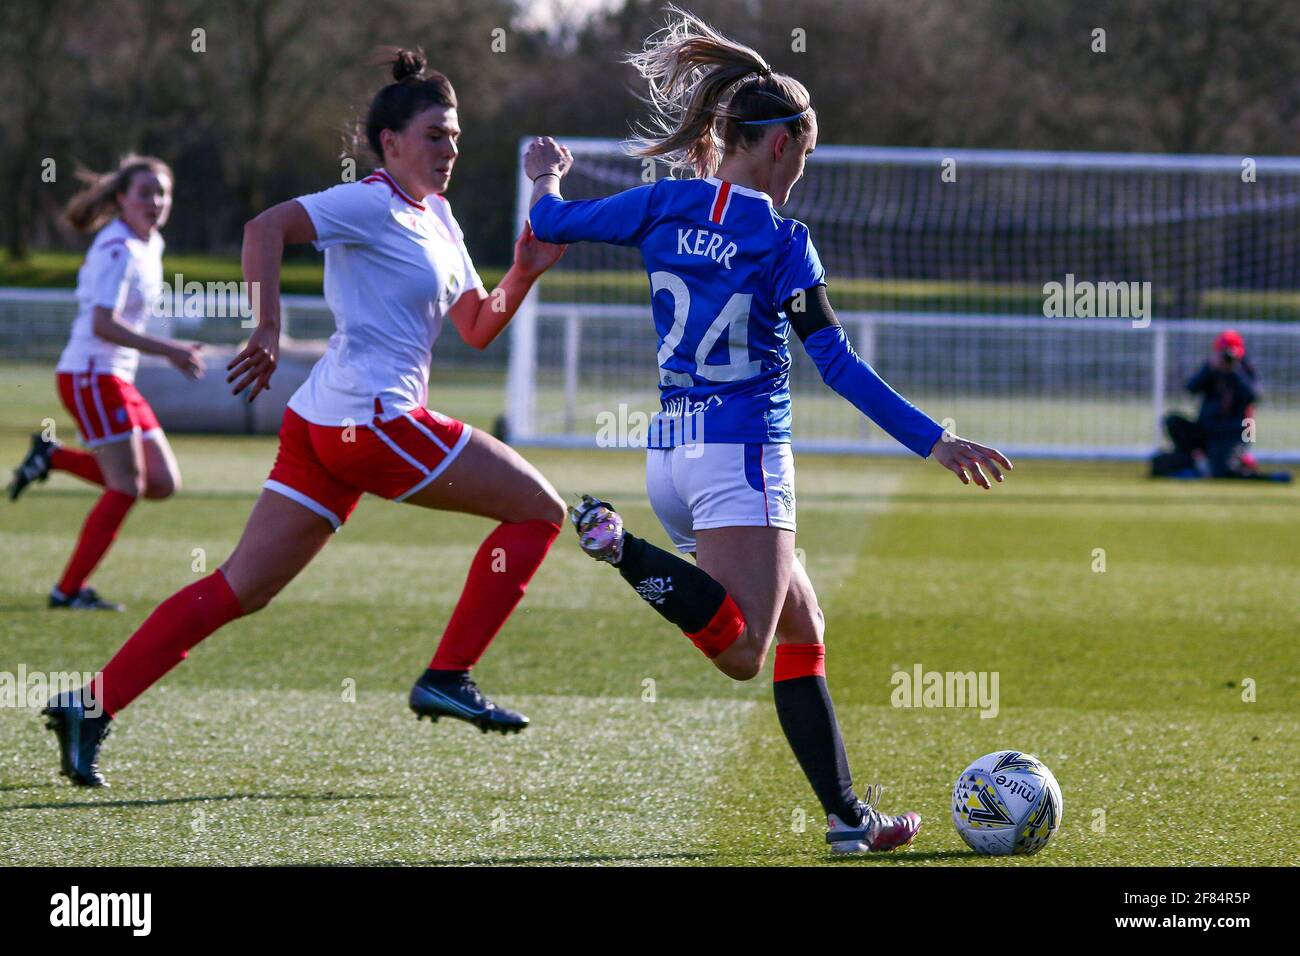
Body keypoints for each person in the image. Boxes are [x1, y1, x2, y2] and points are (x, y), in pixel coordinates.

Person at [526, 9, 1012, 854]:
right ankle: (617, 548)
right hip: (743, 459)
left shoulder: (662, 204)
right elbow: (841, 366)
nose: (801, 177)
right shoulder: (783, 240)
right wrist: (939, 440)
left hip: (670, 454)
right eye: (806, 156)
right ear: (782, 143)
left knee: (801, 627)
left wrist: (543, 177)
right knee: (746, 651)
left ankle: (847, 820)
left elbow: (550, 225)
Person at [42, 49, 569, 787]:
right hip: (374, 422)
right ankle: (449, 673)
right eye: (436, 135)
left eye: (455, 136)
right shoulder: (370, 201)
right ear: (390, 143)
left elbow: (478, 325)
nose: (451, 149)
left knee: (240, 589)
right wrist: (264, 330)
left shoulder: (440, 220)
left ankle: (90, 706)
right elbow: (263, 228)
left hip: (326, 425)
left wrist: (524, 272)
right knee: (540, 511)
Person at [7, 155, 205, 611]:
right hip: (91, 375)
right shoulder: (118, 249)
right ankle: (68, 590)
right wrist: (169, 351)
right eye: (145, 193)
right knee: (126, 487)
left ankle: (52, 457)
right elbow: (102, 324)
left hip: (115, 377)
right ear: (121, 199)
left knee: (161, 481)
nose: (155, 201)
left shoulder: (150, 243)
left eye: (163, 193)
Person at [1155, 329, 1261, 478]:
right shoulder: (1211, 369)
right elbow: (1191, 388)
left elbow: (1252, 396)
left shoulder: (1245, 370)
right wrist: (1209, 369)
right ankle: (1195, 458)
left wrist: (1234, 371)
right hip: (1207, 429)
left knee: (1222, 470)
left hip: (1230, 434)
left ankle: (1230, 460)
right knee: (1172, 421)